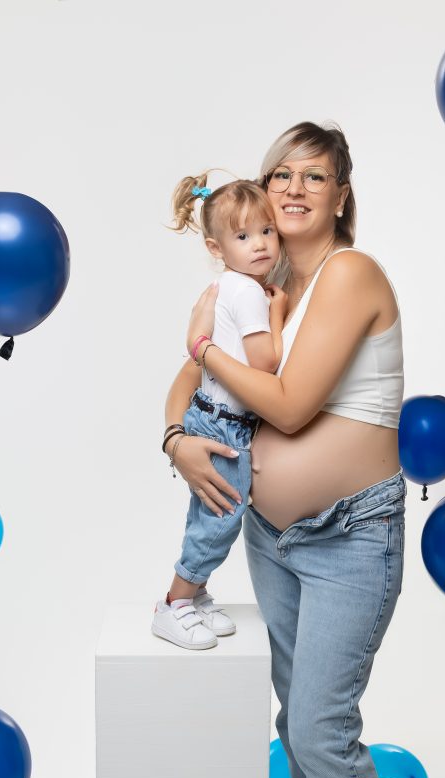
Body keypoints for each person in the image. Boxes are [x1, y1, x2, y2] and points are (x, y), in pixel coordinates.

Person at [162, 121, 406, 778]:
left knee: (319, 725)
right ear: (261, 196)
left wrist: (204, 348)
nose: (295, 188)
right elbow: (181, 390)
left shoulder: (349, 274)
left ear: (341, 194)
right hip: (274, 538)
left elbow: (291, 404)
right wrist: (178, 438)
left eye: (315, 175)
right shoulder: (258, 281)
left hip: (351, 536)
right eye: (281, 176)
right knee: (290, 717)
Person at [153, 176, 288, 650]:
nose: (260, 245)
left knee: (210, 514)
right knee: (221, 516)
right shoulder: (251, 292)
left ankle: (197, 594)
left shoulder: (226, 286)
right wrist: (278, 313)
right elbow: (266, 365)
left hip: (211, 416)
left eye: (267, 232)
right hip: (223, 424)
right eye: (244, 236)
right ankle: (175, 603)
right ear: (216, 246)